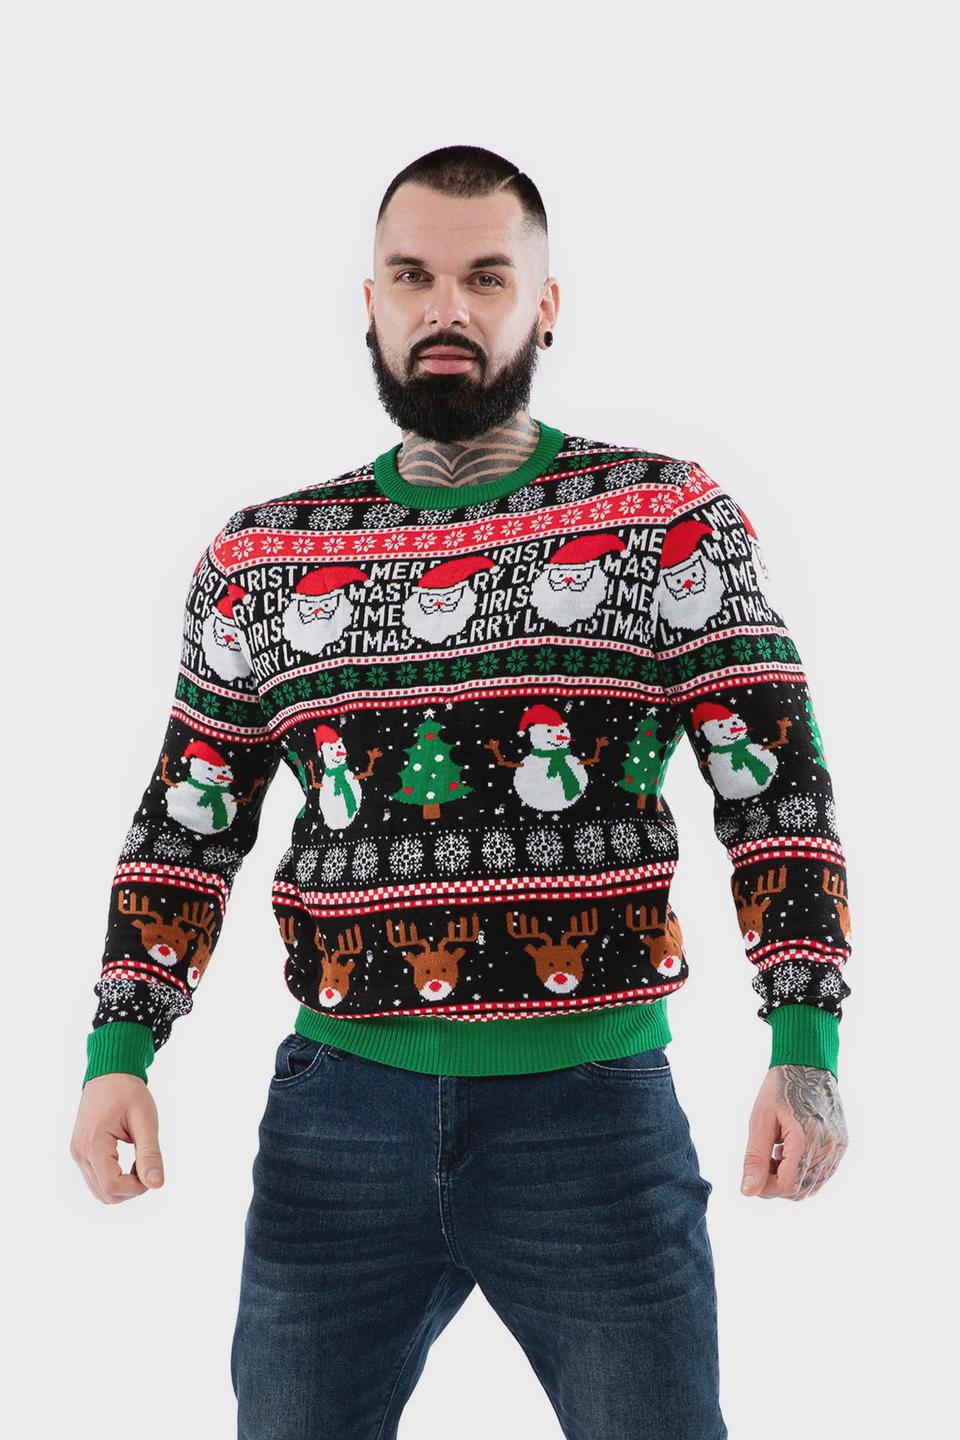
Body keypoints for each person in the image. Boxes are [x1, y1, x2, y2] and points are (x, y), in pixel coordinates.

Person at [71, 144, 852, 1440]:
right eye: (413, 276)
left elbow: (777, 794)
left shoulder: (664, 519)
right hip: (337, 1126)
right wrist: (120, 1051)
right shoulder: (265, 558)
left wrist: (805, 1048)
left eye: (487, 277)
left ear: (546, 303)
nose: (448, 306)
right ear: (369, 302)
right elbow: (187, 820)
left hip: (594, 1121)